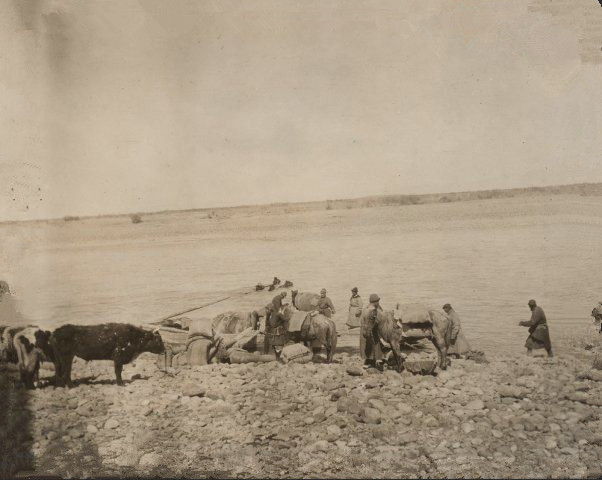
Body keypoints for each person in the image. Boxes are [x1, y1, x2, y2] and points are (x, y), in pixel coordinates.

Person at [360, 294, 384, 370]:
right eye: (378, 301)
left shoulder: (365, 309)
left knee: (367, 346)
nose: (379, 302)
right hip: (371, 330)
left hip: (365, 330)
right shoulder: (374, 310)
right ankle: (374, 362)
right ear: (375, 302)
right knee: (374, 345)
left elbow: (362, 321)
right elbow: (379, 320)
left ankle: (369, 361)